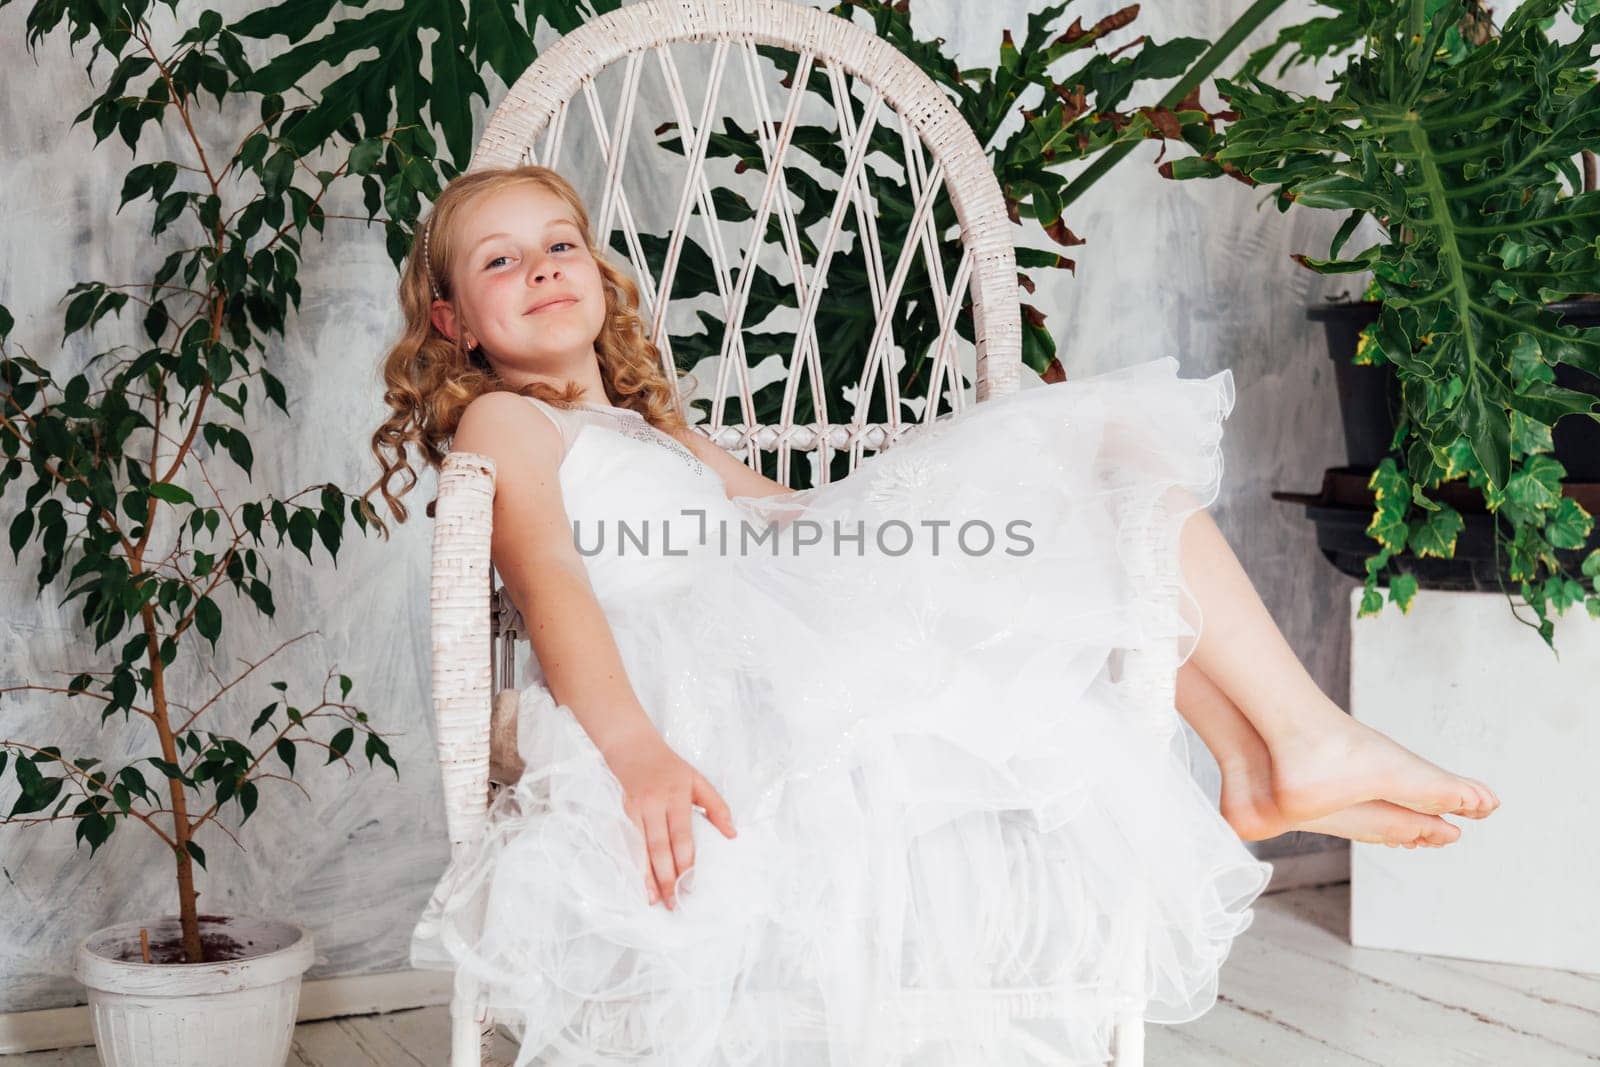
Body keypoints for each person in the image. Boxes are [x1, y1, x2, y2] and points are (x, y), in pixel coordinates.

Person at [362, 164, 1498, 1065]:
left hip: (789, 606)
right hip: (718, 670)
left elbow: (796, 517)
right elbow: (557, 589)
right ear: (455, 321)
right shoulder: (507, 425)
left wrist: (963, 491)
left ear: (602, 277)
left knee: (1093, 486)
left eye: (560, 243)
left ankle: (1269, 752)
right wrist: (640, 753)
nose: (543, 267)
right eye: (500, 260)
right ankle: (1287, 743)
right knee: (1087, 453)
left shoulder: (657, 434)